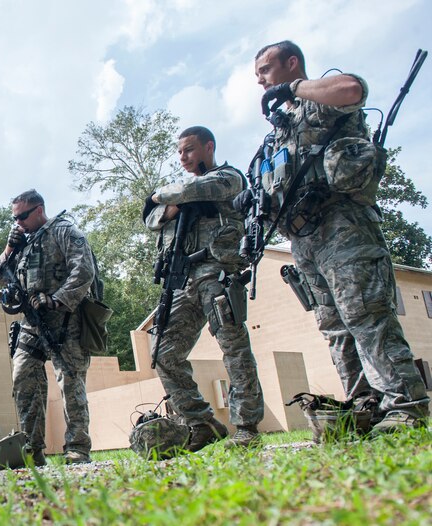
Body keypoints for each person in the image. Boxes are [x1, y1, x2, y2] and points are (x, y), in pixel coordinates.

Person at [246, 40, 429, 432]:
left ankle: (406, 406)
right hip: (303, 240)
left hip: (343, 225)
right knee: (333, 326)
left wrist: (293, 88)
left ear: (291, 63)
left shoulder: (319, 99)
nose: (260, 80)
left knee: (366, 314)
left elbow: (353, 89)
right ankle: (365, 407)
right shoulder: (279, 131)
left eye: (265, 70)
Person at [144, 127, 265, 450]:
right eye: (180, 152)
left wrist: (161, 197)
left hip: (217, 273)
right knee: (163, 352)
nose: (183, 157)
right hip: (182, 280)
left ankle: (247, 426)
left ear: (209, 147)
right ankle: (201, 423)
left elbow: (186, 192)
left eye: (189, 150)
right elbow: (152, 219)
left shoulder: (228, 177)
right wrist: (171, 201)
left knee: (233, 347)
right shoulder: (183, 189)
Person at [0, 190, 96, 465]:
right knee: (23, 377)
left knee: (70, 382)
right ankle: (33, 450)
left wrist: (57, 300)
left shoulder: (64, 230)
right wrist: (9, 249)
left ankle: (77, 447)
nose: (18, 223)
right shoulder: (24, 243)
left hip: (65, 319)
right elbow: (0, 278)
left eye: (22, 216)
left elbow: (84, 270)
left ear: (39, 210)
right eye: (14, 218)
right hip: (31, 322)